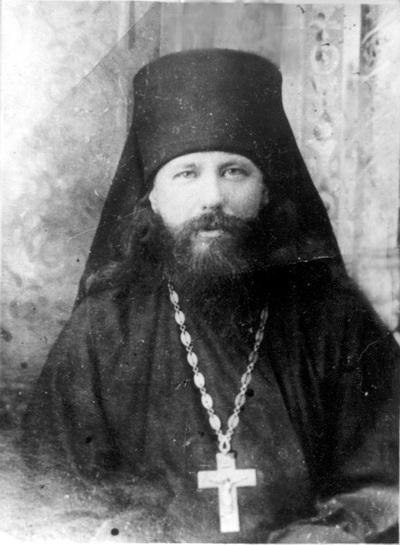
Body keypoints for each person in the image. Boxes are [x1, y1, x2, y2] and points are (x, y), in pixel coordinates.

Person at [21, 49, 399, 543]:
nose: (212, 198)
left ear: (266, 191)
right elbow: (50, 498)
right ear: (153, 198)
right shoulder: (103, 329)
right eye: (187, 173)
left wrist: (326, 536)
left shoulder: (332, 318)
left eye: (234, 171)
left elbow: (387, 484)